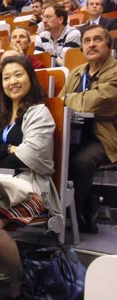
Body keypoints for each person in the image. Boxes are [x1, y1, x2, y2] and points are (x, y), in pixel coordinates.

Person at [0, 56, 59, 299]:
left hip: (32, 187)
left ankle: (18, 278)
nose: (13, 81)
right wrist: (7, 151)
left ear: (30, 77)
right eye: (7, 77)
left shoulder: (38, 112)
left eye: (18, 75)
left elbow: (26, 157)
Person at [59, 25, 117, 234]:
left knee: (80, 162)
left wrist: (69, 100)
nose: (91, 44)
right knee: (51, 155)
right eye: (86, 41)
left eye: (97, 39)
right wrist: (71, 100)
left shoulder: (115, 71)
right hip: (71, 135)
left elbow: (100, 100)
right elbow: (59, 102)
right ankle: (61, 209)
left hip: (102, 137)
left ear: (109, 46)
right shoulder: (76, 73)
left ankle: (77, 212)